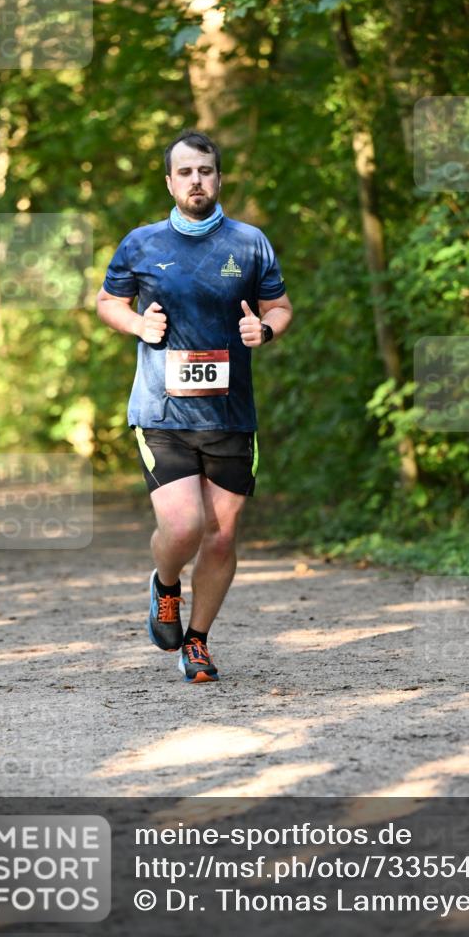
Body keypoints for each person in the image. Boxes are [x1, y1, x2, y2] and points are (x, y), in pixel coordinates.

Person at [96, 130, 293, 683]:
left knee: (223, 534)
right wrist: (137, 322)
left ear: (219, 177)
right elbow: (107, 301)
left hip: (231, 415)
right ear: (169, 181)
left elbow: (280, 306)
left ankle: (198, 640)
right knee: (183, 527)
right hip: (163, 412)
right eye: (184, 172)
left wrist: (265, 330)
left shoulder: (250, 242)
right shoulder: (142, 243)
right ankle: (165, 586)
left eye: (204, 170)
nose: (196, 180)